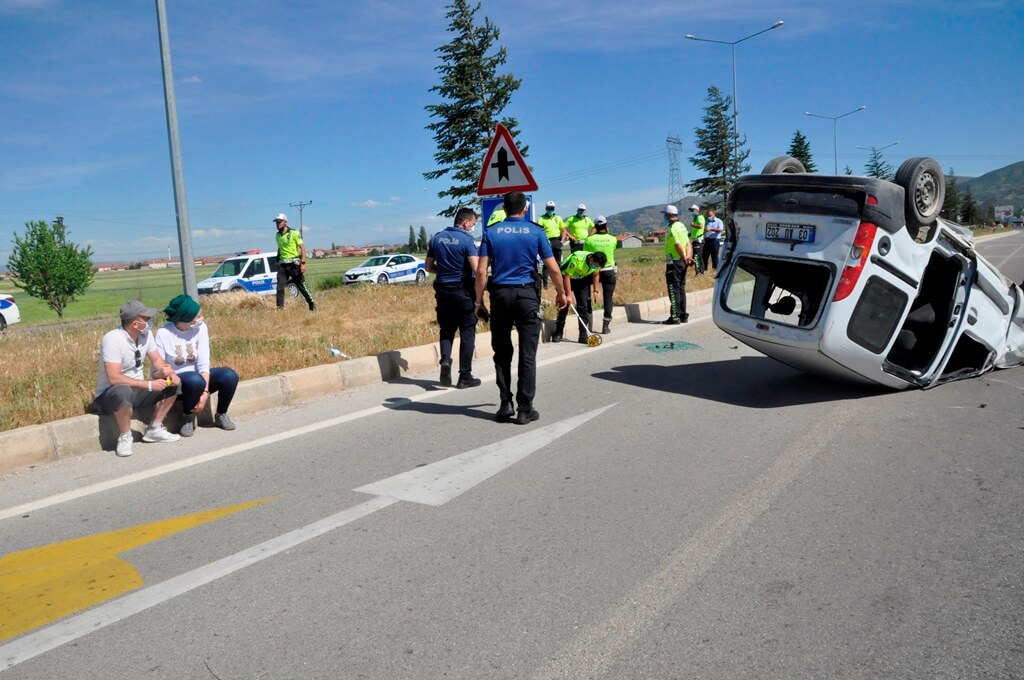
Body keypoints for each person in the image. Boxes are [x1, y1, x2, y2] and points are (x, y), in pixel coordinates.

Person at [475, 191, 568, 425]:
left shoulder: (491, 232)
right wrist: (561, 293)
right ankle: (525, 409)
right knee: (528, 354)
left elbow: (480, 271)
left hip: (500, 297)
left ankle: (506, 403)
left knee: (502, 352)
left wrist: (478, 302)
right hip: (527, 295)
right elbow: (554, 269)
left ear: (503, 209)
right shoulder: (536, 231)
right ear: (525, 209)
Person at [91, 300, 182, 457]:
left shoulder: (146, 335)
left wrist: (169, 373)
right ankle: (125, 436)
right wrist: (148, 384)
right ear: (134, 324)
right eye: (146, 319)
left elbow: (157, 361)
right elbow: (114, 378)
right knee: (122, 391)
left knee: (174, 385)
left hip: (138, 389)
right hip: (110, 395)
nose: (149, 321)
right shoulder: (113, 339)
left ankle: (155, 428)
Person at [154, 294, 239, 437]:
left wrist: (205, 393)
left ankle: (221, 414)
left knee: (229, 376)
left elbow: (203, 363)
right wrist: (162, 372)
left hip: (199, 379)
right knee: (194, 380)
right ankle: (187, 416)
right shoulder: (164, 333)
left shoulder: (201, 328)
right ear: (185, 318)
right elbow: (157, 370)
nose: (201, 318)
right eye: (198, 316)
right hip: (178, 382)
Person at [425, 207, 482, 389]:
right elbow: (475, 268)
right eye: (473, 223)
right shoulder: (467, 240)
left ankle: (445, 360)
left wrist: (442, 270)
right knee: (467, 332)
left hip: (443, 291)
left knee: (447, 329)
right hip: (463, 291)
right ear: (465, 222)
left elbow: (428, 267)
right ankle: (465, 375)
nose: (473, 227)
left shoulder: (437, 238)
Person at [551, 250, 607, 343]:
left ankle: (583, 335)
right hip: (566, 278)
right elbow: (567, 276)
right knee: (565, 304)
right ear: (591, 258)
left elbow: (596, 274)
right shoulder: (577, 259)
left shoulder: (596, 264)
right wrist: (569, 295)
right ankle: (558, 332)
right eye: (595, 265)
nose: (596, 267)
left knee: (583, 307)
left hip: (581, 280)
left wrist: (595, 291)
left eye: (597, 266)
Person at [274, 213, 316, 311]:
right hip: (282, 266)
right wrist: (277, 258)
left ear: (285, 222)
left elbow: (302, 248)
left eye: (279, 222)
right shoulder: (277, 235)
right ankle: (280, 308)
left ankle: (311, 303)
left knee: (301, 286)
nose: (277, 224)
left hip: (294, 264)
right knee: (280, 287)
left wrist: (303, 263)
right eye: (276, 222)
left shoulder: (294, 233)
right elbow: (280, 248)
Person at [583, 216, 618, 334]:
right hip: (608, 270)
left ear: (595, 227)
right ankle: (606, 326)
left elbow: (586, 255)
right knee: (608, 298)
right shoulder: (613, 239)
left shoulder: (589, 240)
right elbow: (612, 252)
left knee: (587, 297)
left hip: (592, 271)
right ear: (606, 226)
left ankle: (588, 323)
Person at [663, 205, 693, 324]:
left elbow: (677, 244)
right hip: (683, 261)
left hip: (675, 261)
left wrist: (683, 256)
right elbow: (688, 244)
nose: (664, 217)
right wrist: (688, 257)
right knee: (681, 288)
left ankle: (675, 316)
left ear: (669, 215)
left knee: (673, 289)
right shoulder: (682, 226)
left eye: (665, 215)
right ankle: (683, 315)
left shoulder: (672, 228)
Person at [537, 201, 568, 288]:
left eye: (552, 208)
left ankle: (559, 281)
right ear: (546, 209)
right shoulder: (542, 219)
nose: (550, 210)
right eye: (549, 208)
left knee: (558, 262)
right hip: (547, 241)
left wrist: (562, 241)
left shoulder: (558, 218)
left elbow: (564, 230)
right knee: (547, 263)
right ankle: (545, 283)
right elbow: (539, 231)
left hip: (557, 241)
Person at [689, 205, 706, 276]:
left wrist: (693, 225)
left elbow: (701, 226)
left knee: (698, 257)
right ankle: (698, 272)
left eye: (693, 210)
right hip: (695, 240)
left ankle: (700, 272)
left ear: (697, 210)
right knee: (696, 256)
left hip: (699, 240)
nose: (692, 212)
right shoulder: (695, 218)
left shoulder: (700, 217)